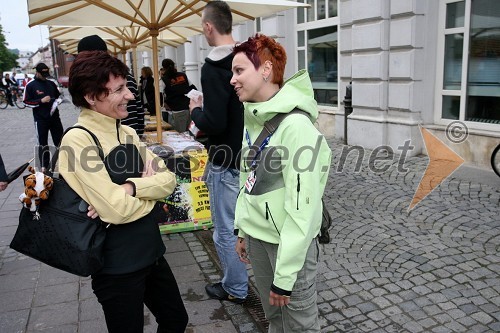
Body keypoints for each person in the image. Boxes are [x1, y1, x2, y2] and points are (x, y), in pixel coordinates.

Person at [58, 50, 188, 333]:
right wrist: (148, 199)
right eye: (118, 89)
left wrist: (131, 187)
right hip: (116, 266)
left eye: (127, 86)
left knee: (176, 320)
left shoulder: (126, 133)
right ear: (92, 96)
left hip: (151, 251)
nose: (130, 95)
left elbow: (169, 180)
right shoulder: (78, 140)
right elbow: (116, 209)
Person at [231, 34, 332, 332]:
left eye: (239, 71)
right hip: (258, 239)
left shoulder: (297, 128)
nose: (232, 80)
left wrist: (285, 277)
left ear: (265, 69)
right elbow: (247, 178)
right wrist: (242, 229)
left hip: (288, 247)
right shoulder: (254, 117)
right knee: (274, 319)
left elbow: (303, 214)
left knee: (298, 325)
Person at [188, 0, 247, 304]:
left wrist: (196, 111)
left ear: (209, 27)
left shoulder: (213, 67)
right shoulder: (248, 57)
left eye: (202, 25)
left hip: (226, 159)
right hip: (253, 157)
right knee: (250, 225)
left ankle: (236, 288)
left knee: (225, 229)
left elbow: (215, 122)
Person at [77, 34, 145, 136]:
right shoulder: (126, 76)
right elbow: (139, 108)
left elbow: (138, 107)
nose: (129, 95)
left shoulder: (117, 77)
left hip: (122, 136)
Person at [23, 63, 64, 172]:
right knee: (42, 142)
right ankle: (44, 166)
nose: (45, 76)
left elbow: (57, 96)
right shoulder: (31, 85)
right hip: (41, 119)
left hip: (54, 117)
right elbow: (26, 102)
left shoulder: (51, 83)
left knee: (60, 140)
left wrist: (58, 100)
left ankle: (62, 162)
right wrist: (40, 101)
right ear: (37, 72)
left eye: (46, 73)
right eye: (43, 74)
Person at [161, 58, 192, 132]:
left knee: (180, 135)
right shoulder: (183, 75)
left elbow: (160, 95)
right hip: (189, 108)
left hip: (177, 110)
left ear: (163, 68)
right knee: (190, 134)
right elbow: (193, 88)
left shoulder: (164, 79)